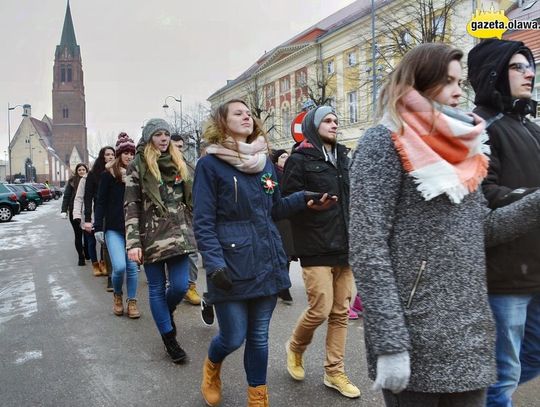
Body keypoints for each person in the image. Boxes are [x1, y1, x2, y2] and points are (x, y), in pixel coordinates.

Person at [348, 42, 540, 406]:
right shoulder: (383, 142)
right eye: (448, 81)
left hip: (469, 333)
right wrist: (390, 342)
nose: (458, 91)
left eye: (460, 82)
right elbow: (367, 247)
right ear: (420, 82)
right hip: (414, 333)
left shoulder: (467, 145)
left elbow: (484, 228)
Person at [193, 99, 331, 406]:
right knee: (233, 337)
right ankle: (212, 367)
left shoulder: (264, 161)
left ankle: (258, 398)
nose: (246, 117)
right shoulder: (209, 165)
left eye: (248, 113)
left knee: (258, 337)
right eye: (237, 113)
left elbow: (275, 207)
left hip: (267, 259)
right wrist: (213, 264)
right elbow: (203, 221)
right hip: (229, 264)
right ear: (222, 122)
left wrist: (302, 198)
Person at [468, 39, 540, 407]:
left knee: (531, 360)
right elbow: (484, 195)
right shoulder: (478, 127)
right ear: (493, 74)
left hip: (536, 270)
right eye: (517, 67)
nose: (529, 73)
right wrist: (533, 196)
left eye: (530, 66)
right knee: (504, 374)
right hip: (504, 274)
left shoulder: (530, 125)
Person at [280, 105, 360, 398]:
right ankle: (295, 346)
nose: (334, 124)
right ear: (314, 126)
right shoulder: (299, 160)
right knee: (321, 308)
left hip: (346, 245)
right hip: (315, 245)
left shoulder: (344, 156)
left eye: (336, 120)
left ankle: (334, 372)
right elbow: (286, 202)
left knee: (341, 312)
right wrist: (310, 204)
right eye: (327, 120)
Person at [124, 119, 197, 364]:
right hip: (151, 235)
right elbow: (131, 205)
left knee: (180, 286)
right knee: (156, 288)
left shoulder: (181, 162)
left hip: (180, 232)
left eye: (166, 134)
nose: (164, 138)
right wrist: (133, 242)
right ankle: (169, 338)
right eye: (158, 134)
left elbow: (195, 194)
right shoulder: (138, 165)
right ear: (148, 138)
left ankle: (165, 314)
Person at [94, 133, 140, 319]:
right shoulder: (108, 176)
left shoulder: (136, 175)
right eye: (125, 152)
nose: (129, 156)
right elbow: (101, 202)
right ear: (119, 154)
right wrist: (98, 227)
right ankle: (118, 296)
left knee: (132, 268)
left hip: (132, 229)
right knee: (119, 267)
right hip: (113, 229)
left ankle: (132, 301)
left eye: (132, 153)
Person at [170, 133, 202, 306]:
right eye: (175, 146)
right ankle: (171, 284)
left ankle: (191, 286)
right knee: (171, 253)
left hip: (189, 217)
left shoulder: (189, 167)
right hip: (167, 219)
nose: (178, 149)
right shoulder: (160, 167)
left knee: (192, 251)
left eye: (181, 146)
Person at [83, 146, 116, 290]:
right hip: (101, 213)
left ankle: (116, 271)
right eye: (107, 154)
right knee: (106, 245)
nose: (110, 157)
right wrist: (88, 219)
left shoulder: (118, 172)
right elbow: (88, 197)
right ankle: (110, 277)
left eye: (112, 154)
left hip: (118, 212)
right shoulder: (93, 174)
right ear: (102, 157)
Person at [271, 148, 295, 304]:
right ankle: (283, 287)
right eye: (282, 157)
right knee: (282, 254)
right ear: (276, 161)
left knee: (287, 255)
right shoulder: (273, 175)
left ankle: (282, 285)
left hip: (289, 217)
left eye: (287, 156)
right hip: (278, 218)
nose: (286, 159)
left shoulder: (290, 173)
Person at [72, 170, 100, 276]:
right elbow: (78, 198)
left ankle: (103, 263)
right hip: (88, 215)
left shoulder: (106, 175)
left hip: (101, 214)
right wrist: (76, 215)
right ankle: (95, 264)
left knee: (103, 243)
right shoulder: (85, 179)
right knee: (91, 242)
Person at [61, 163, 89, 266]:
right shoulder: (72, 182)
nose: (81, 171)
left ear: (86, 170)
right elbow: (66, 197)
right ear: (76, 172)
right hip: (75, 211)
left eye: (83, 169)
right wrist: (63, 210)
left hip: (87, 212)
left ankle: (87, 252)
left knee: (87, 235)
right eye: (79, 170)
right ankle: (80, 258)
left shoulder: (90, 180)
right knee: (78, 235)